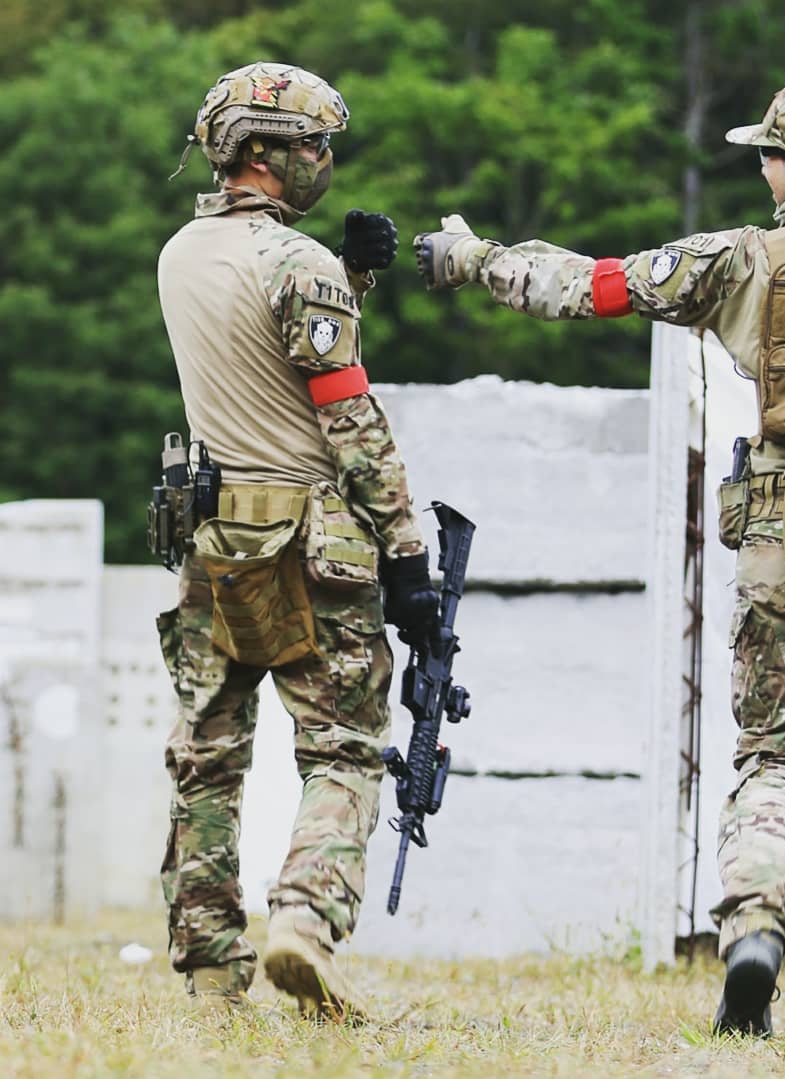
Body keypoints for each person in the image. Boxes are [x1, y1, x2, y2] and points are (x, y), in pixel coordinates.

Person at [414, 82, 785, 1039]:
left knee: (775, 757)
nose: (764, 171)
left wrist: (474, 259)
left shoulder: (738, 260)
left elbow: (594, 286)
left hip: (780, 538)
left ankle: (755, 936)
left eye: (770, 155)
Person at [156, 61, 438, 1018]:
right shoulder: (297, 266)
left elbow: (251, 365)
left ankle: (208, 969)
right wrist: (406, 554)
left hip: (214, 535)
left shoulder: (181, 253)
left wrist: (349, 278)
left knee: (208, 750)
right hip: (315, 540)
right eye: (314, 146)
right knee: (346, 748)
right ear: (266, 156)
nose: (325, 160)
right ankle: (304, 922)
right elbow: (344, 416)